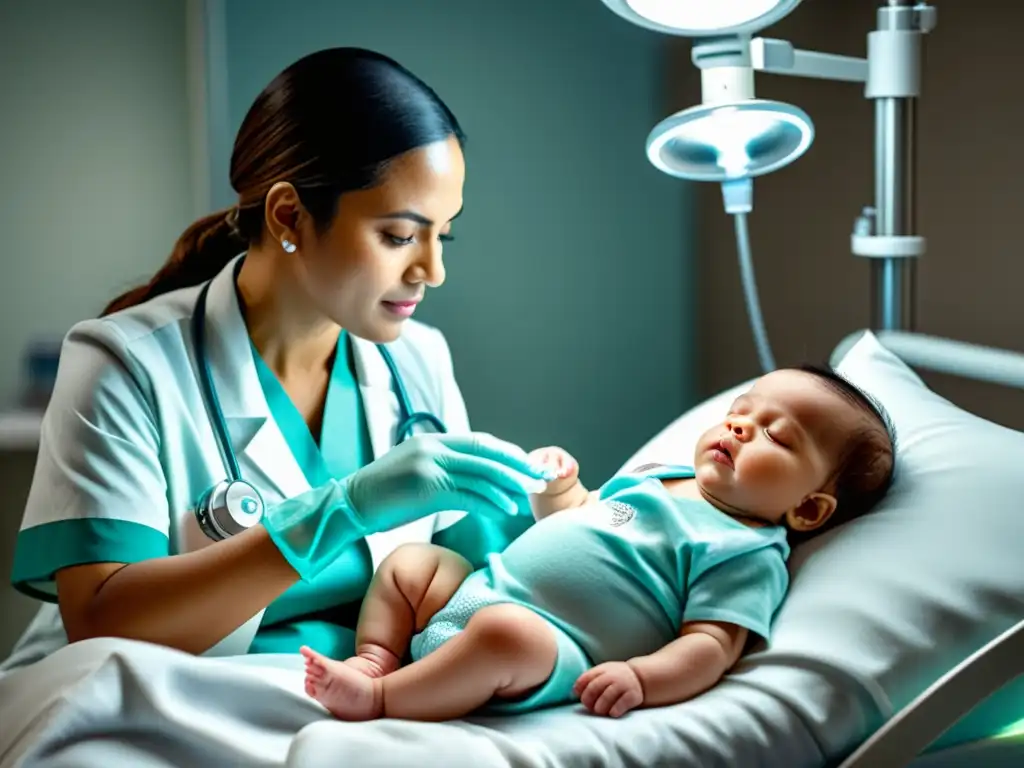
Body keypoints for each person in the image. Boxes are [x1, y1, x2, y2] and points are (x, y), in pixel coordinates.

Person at [3, 47, 551, 671]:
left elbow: (469, 580)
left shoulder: (420, 362)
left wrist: (561, 517)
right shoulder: (122, 365)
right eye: (400, 236)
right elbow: (102, 622)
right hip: (137, 712)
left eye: (441, 235)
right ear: (289, 214)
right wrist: (344, 508)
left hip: (347, 710)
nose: (433, 270)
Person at [300, 365, 897, 721]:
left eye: (776, 434)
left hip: (547, 650)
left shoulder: (745, 550)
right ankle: (376, 654)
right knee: (413, 564)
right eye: (741, 411)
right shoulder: (659, 475)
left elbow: (712, 645)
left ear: (809, 508)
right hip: (478, 590)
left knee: (506, 635)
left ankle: (380, 697)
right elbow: (581, 517)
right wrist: (560, 488)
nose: (740, 426)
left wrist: (641, 678)